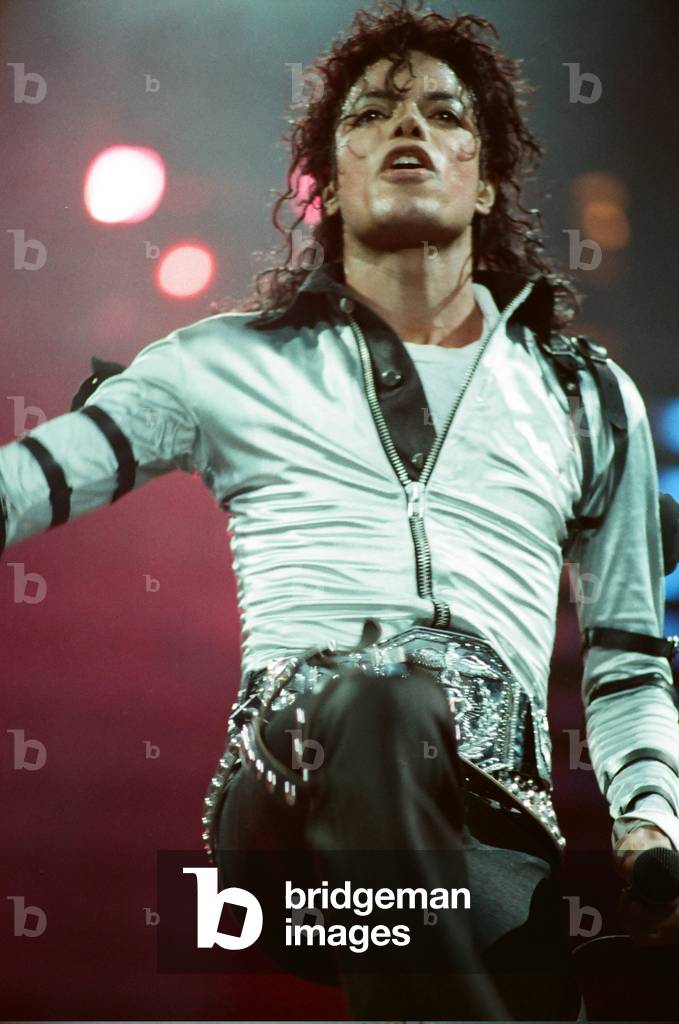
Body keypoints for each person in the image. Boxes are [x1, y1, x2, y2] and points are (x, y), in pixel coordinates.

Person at [2, 2, 678, 1020]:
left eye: (445, 113)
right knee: (380, 696)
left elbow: (628, 653)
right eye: (371, 113)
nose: (408, 126)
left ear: (487, 177)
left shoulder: (588, 398)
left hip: (492, 847)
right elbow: (31, 478)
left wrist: (650, 821)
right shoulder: (225, 363)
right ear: (323, 180)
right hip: (287, 830)